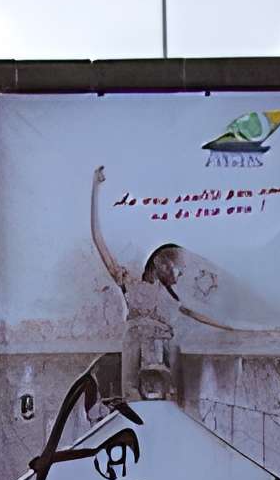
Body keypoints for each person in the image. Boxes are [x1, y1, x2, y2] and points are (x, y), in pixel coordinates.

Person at [91, 164, 249, 405]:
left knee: (167, 400)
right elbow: (98, 240)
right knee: (134, 399)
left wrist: (231, 328)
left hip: (159, 355)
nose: (179, 272)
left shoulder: (168, 298)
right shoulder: (130, 284)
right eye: (175, 266)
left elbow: (195, 314)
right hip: (135, 351)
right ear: (159, 263)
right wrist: (95, 188)